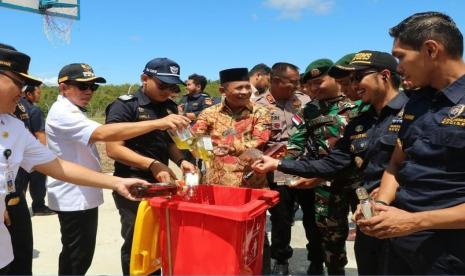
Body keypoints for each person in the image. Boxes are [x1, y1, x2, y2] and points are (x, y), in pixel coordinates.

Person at [253, 50, 406, 275]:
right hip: (324, 181)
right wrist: (283, 169)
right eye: (309, 85)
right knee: (328, 234)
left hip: (363, 186)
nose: (313, 89)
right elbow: (299, 143)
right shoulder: (309, 109)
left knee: (377, 240)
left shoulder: (364, 105)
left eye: (318, 82)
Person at [0, 45, 148, 275]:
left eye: (92, 86)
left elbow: (57, 165)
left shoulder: (12, 126)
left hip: (6, 242)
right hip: (71, 198)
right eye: (18, 83)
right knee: (75, 258)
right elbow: (103, 134)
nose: (22, 92)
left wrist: (117, 183)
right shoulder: (60, 113)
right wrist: (159, 123)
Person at [45, 62, 191, 275]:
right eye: (82, 86)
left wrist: (181, 161)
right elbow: (108, 140)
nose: (89, 92)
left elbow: (170, 141)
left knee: (154, 242)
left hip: (90, 190)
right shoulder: (69, 112)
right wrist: (156, 131)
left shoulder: (74, 111)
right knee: (127, 245)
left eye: (92, 87)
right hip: (88, 190)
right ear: (63, 87)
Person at [357, 12, 465, 275]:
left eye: (401, 56)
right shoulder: (415, 101)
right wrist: (380, 205)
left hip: (449, 253)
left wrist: (414, 221)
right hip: (400, 246)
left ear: (430, 49)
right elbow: (396, 163)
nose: (398, 68)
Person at [105, 57, 196, 275]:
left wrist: (181, 160)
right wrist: (153, 164)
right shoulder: (125, 105)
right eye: (162, 85)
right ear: (144, 79)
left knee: (161, 239)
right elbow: (113, 149)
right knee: (137, 241)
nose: (168, 91)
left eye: (173, 87)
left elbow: (168, 141)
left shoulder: (169, 107)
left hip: (162, 183)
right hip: (132, 185)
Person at [253, 62, 311, 275]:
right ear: (276, 81)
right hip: (277, 168)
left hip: (306, 165)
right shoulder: (258, 104)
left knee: (312, 214)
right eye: (293, 82)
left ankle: (316, 258)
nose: (298, 85)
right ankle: (281, 258)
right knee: (282, 215)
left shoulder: (304, 101)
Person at [191, 67, 271, 187]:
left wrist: (232, 148)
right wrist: (205, 149)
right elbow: (195, 140)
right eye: (239, 88)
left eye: (247, 87)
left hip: (250, 182)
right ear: (223, 91)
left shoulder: (261, 112)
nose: (245, 92)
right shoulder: (209, 113)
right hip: (216, 183)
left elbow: (260, 140)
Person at [21, 85, 54, 215]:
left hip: (18, 153)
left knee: (20, 183)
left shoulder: (16, 107)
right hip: (33, 153)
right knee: (38, 182)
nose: (39, 95)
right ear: (29, 94)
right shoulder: (34, 110)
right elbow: (40, 134)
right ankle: (38, 207)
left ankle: (19, 210)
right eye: (38, 93)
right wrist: (43, 156)